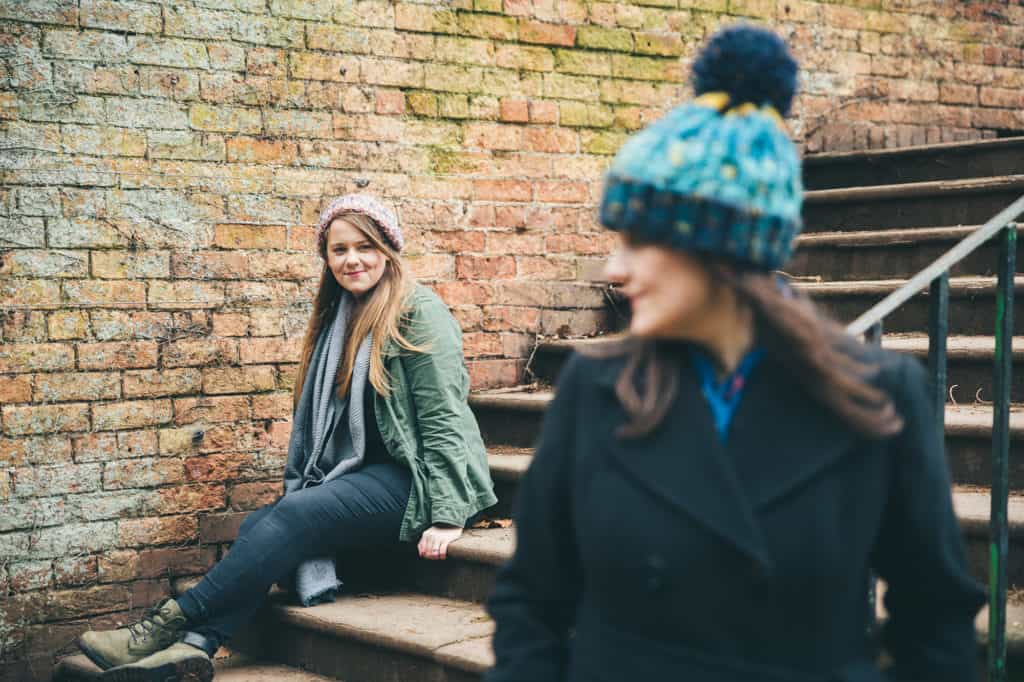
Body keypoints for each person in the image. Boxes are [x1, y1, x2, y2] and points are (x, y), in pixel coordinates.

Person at [486, 25, 985, 682]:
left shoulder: (878, 395)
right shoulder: (595, 386)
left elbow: (936, 624)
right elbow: (532, 604)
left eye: (638, 241)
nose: (614, 269)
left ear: (721, 250)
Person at [77, 194, 497, 682]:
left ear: (388, 249)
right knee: (262, 523)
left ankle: (164, 626)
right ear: (326, 257)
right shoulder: (341, 315)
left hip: (417, 480)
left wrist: (448, 515)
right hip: (367, 474)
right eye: (339, 250)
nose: (352, 259)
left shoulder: (418, 312)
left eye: (365, 246)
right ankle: (193, 649)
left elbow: (444, 416)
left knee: (293, 514)